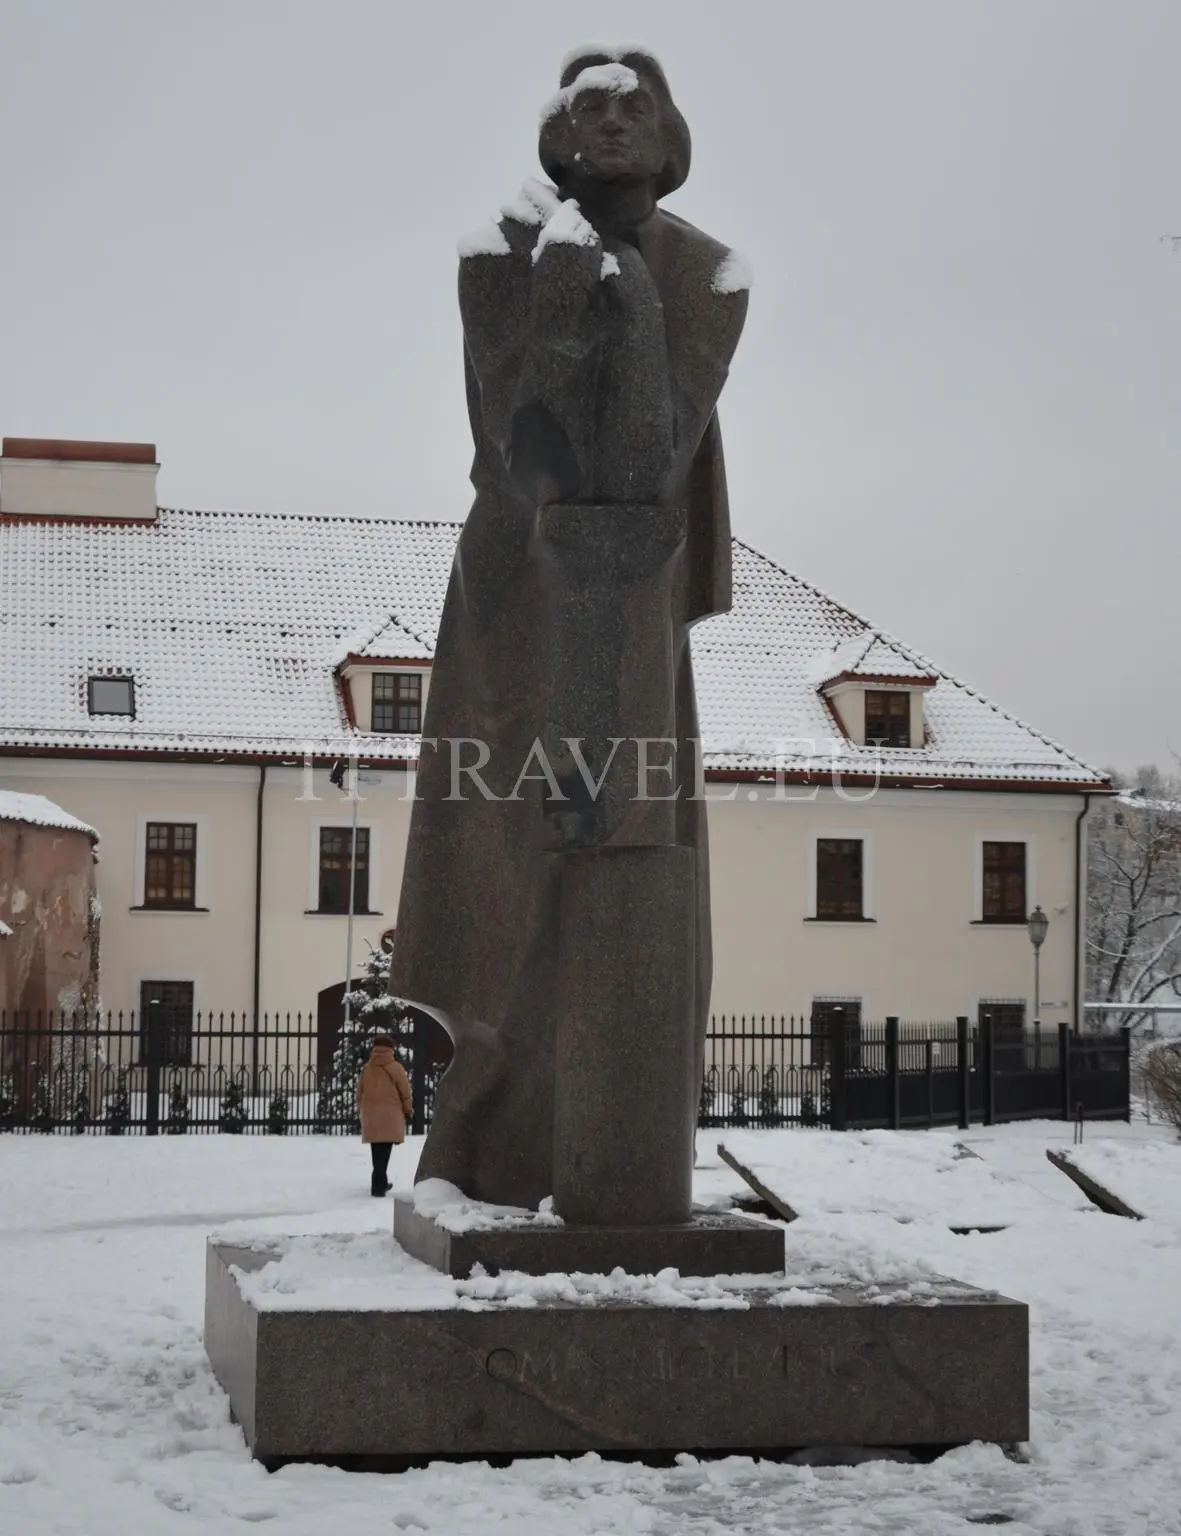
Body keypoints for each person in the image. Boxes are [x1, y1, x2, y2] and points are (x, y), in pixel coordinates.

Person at [389, 46, 748, 1208]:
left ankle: (609, 1140)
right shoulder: (498, 251)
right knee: (501, 852)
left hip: (628, 586)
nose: (607, 122)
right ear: (553, 131)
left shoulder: (708, 273)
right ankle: (492, 1135)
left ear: (668, 132)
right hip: (515, 589)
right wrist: (554, 300)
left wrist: (619, 295)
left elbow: (649, 456)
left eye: (631, 105)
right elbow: (518, 453)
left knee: (618, 847)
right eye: (584, 106)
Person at [356, 1035, 413, 1197]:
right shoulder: (396, 1068)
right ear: (391, 1049)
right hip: (390, 1116)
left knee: (376, 1151)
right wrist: (408, 1110)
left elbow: (359, 1092)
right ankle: (378, 1186)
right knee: (385, 1152)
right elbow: (405, 1092)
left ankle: (379, 1182)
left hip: (372, 1117)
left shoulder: (367, 1069)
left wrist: (361, 1109)